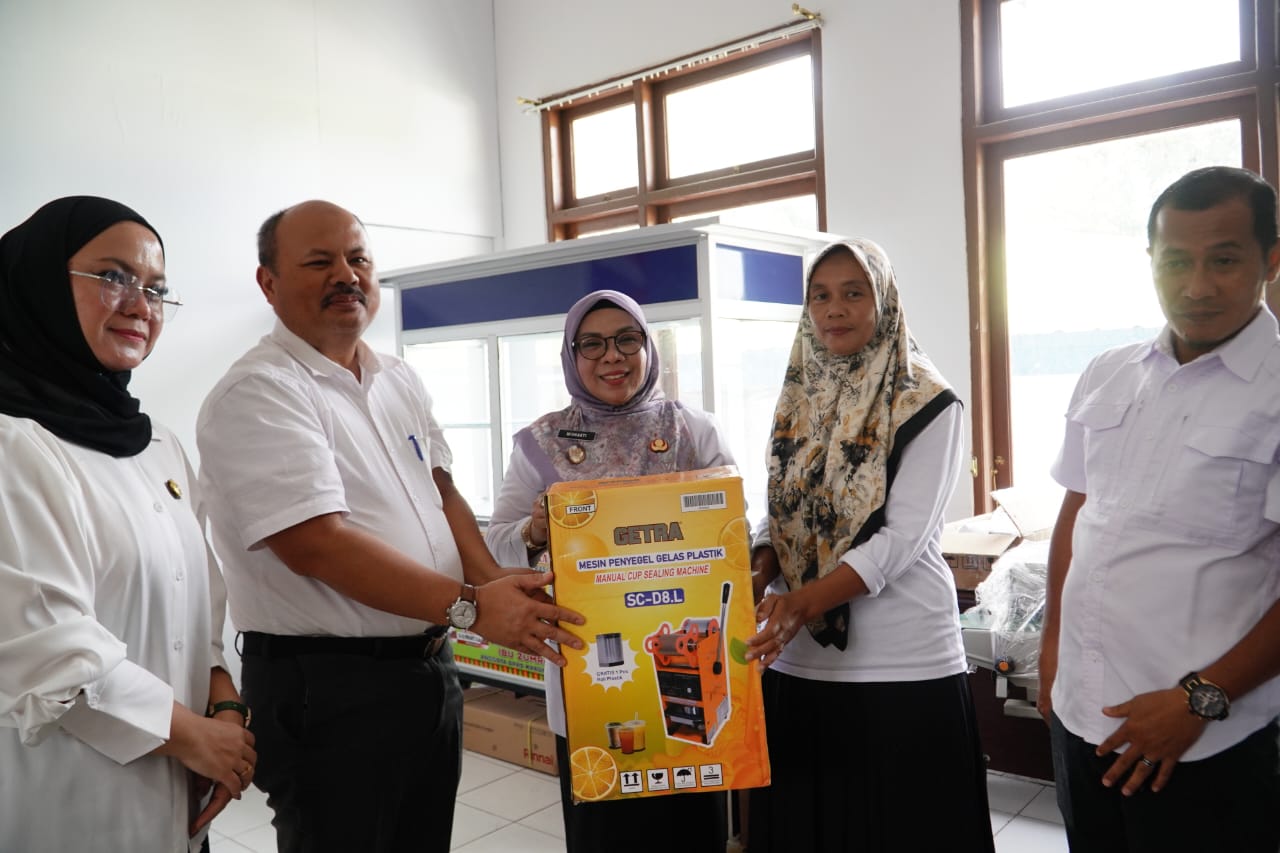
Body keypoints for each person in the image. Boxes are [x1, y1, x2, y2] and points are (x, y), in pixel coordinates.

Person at [195, 200, 584, 853]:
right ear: (269, 282)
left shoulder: (396, 376)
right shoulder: (261, 391)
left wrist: (494, 582)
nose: (345, 275)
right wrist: (472, 606)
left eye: (358, 259)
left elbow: (441, 492)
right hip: (329, 687)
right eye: (319, 262)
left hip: (427, 669)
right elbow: (317, 545)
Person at [0, 197, 255, 852]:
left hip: (180, 787)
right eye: (113, 276)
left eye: (157, 288)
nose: (141, 305)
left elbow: (201, 603)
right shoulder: (13, 444)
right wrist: (200, 739)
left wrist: (224, 704)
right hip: (68, 803)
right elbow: (50, 653)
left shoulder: (158, 444)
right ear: (38, 284)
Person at [1039, 165, 1280, 852]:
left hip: (1205, 742)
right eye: (1176, 261)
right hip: (1083, 719)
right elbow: (1078, 515)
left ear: (1271, 259)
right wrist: (1052, 648)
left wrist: (1201, 700)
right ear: (1151, 259)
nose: (1197, 286)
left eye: (1224, 260)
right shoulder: (1109, 371)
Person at [745, 238, 994, 852]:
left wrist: (800, 604)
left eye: (854, 293)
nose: (835, 309)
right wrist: (757, 570)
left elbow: (902, 539)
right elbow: (781, 509)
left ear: (885, 301)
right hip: (797, 661)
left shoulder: (927, 401)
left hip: (899, 667)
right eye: (820, 296)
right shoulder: (800, 393)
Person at [486, 289, 734, 852]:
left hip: (687, 662)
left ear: (648, 346)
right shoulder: (541, 443)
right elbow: (494, 547)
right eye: (592, 344)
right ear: (571, 356)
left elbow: (734, 531)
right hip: (589, 675)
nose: (612, 356)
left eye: (627, 339)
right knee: (604, 835)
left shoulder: (695, 431)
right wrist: (534, 531)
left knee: (691, 830)